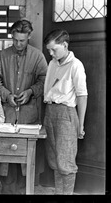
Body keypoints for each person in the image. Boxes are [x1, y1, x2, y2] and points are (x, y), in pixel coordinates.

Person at [0, 19, 48, 194]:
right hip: (7, 115)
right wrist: (6, 95)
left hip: (29, 115)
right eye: (15, 40)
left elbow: (44, 79)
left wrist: (31, 91)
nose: (18, 44)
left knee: (26, 161)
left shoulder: (38, 56)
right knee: (6, 161)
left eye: (22, 40)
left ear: (29, 37)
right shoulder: (2, 55)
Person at [43, 29, 87, 195]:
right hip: (50, 111)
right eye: (49, 50)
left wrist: (80, 125)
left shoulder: (76, 65)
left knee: (66, 162)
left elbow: (82, 96)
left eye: (54, 49)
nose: (51, 53)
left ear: (65, 45)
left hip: (66, 114)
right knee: (54, 160)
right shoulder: (53, 63)